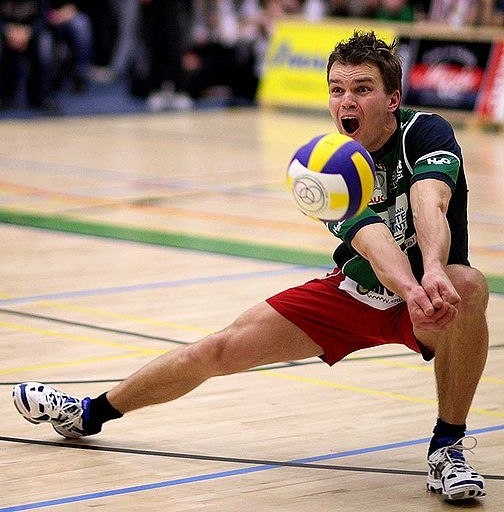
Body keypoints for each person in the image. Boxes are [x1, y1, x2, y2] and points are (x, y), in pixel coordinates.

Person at [12, 30, 489, 502]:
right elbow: (374, 242)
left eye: (362, 89)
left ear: (392, 99)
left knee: (467, 284)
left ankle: (447, 448)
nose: (346, 101)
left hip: (433, 301)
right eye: (337, 90)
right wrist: (410, 288)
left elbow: (430, 204)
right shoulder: (323, 164)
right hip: (359, 292)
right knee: (215, 349)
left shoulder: (424, 132)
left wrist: (432, 271)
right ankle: (88, 413)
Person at [0, 0, 57, 112]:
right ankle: (3, 96)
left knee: (45, 47)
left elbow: (44, 18)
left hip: (32, 34)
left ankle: (42, 97)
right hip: (6, 34)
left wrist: (29, 32)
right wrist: (7, 30)